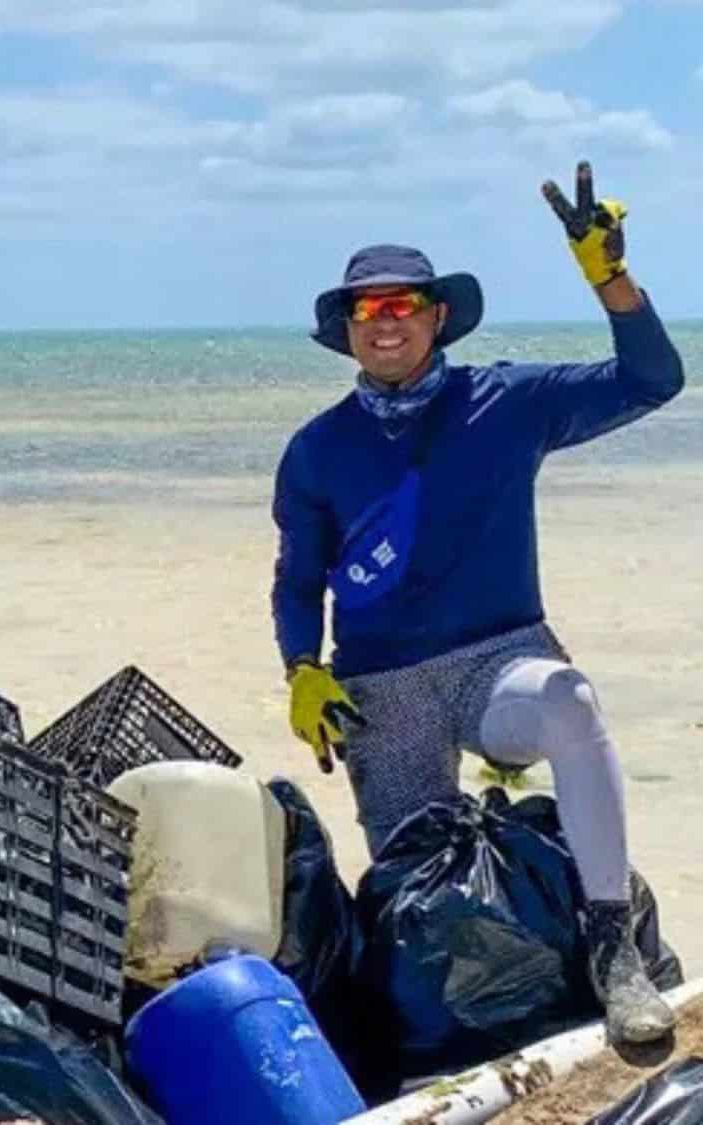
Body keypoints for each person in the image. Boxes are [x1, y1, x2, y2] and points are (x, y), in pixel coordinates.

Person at [270, 162, 685, 1043]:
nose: (387, 323)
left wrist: (610, 280)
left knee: (570, 700)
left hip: (501, 659)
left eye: (404, 305)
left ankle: (614, 947)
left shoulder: (508, 401)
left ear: (439, 315)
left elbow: (652, 380)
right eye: (367, 309)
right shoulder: (315, 450)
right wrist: (301, 667)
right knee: (420, 898)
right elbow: (298, 577)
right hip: (381, 688)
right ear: (346, 331)